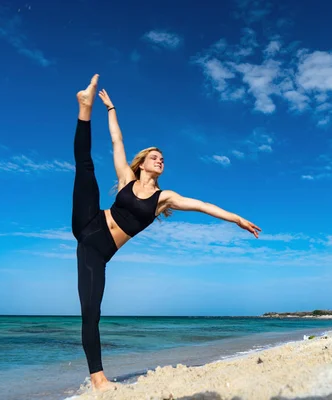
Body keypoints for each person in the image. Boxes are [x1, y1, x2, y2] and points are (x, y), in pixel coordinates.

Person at [72, 74, 262, 391]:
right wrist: (110, 109)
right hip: (89, 221)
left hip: (96, 251)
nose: (160, 160)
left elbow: (203, 205)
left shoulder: (164, 199)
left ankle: (98, 378)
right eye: (154, 157)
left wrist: (236, 219)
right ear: (143, 163)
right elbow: (117, 141)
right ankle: (84, 107)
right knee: (85, 166)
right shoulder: (125, 180)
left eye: (162, 159)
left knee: (91, 312)